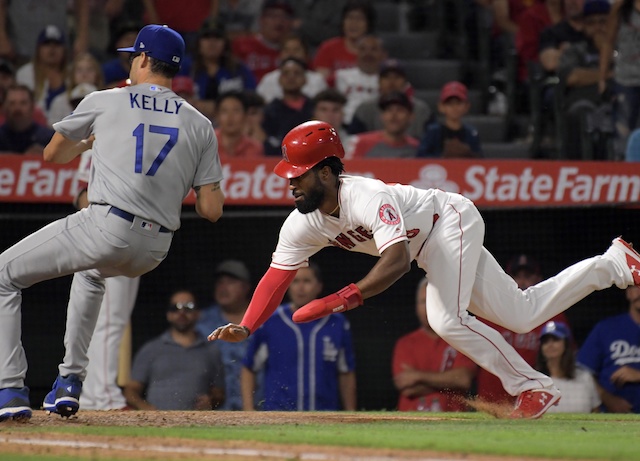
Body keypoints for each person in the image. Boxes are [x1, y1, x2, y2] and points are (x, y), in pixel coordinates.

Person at [209, 119, 640, 420]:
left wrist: (340, 299)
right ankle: (614, 264)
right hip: (427, 247)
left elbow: (394, 261)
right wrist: (247, 325)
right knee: (522, 314)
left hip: (447, 221)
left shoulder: (366, 195)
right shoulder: (301, 222)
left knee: (444, 318)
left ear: (326, 171)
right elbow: (276, 278)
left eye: (299, 173)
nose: (291, 181)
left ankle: (532, 387)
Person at [0, 24, 224, 422]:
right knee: (90, 275)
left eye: (132, 56)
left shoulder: (105, 100)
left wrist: (88, 142)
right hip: (154, 249)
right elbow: (211, 210)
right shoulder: (200, 124)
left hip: (108, 225)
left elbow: (53, 155)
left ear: (141, 59)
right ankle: (69, 382)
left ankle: (10, 387)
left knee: (3, 274)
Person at [73, 148, 141, 411]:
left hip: (132, 237)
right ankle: (102, 396)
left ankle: (94, 395)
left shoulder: (136, 137)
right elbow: (82, 197)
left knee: (115, 320)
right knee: (108, 321)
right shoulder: (97, 142)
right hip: (105, 237)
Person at [241, 262, 357, 411]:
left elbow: (346, 371)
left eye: (307, 281)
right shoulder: (271, 321)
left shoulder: (337, 323)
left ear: (319, 287)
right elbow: (249, 367)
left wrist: (351, 412)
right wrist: (248, 410)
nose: (300, 287)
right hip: (278, 414)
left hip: (324, 415)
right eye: (295, 281)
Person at [475, 253, 571, 405]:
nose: (522, 281)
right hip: (490, 401)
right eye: (516, 276)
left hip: (532, 401)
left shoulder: (552, 313)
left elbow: (567, 359)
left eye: (528, 275)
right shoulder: (488, 309)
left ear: (539, 279)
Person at [124, 290, 225, 410]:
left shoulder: (211, 350)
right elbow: (131, 390)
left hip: (196, 424)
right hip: (158, 425)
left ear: (197, 313)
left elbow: (220, 393)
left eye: (188, 307)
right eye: (175, 308)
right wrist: (146, 409)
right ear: (168, 315)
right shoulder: (151, 349)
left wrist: (211, 401)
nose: (181, 312)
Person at [393, 278, 477, 412]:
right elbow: (407, 388)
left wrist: (418, 376)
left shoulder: (461, 338)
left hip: (454, 423)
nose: (428, 306)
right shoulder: (405, 343)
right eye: (423, 301)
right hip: (411, 423)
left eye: (433, 301)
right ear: (416, 306)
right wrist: (448, 383)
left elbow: (463, 379)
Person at [196, 260, 258, 410]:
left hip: (261, 406)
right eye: (220, 282)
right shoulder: (202, 322)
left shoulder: (264, 319)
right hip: (217, 409)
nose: (223, 288)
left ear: (246, 287)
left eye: (231, 282)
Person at [557, 0, 611, 159]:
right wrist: (607, 74)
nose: (597, 27)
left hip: (614, 103)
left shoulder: (620, 51)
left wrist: (606, 51)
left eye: (603, 22)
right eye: (591, 23)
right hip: (581, 103)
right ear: (583, 26)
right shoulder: (574, 51)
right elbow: (573, 77)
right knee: (582, 110)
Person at [577, 285, 640, 413]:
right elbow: (583, 372)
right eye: (637, 286)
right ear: (628, 293)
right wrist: (607, 398)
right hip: (610, 417)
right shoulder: (607, 328)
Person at [349, 59, 432, 140]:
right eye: (386, 77)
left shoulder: (421, 110)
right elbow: (354, 142)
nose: (391, 82)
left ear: (405, 82)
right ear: (379, 82)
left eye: (397, 77)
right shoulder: (365, 109)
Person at [598, 0, 640, 159]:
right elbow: (608, 42)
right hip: (625, 80)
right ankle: (622, 170)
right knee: (623, 132)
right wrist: (602, 77)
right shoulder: (621, 9)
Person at [190, 21, 257, 122]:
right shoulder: (186, 68)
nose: (212, 43)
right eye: (207, 37)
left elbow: (252, 98)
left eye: (217, 37)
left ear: (225, 43)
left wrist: (220, 107)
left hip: (232, 123)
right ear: (198, 42)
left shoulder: (239, 69)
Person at [535, 320, 601, 413]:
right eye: (545, 341)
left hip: (582, 427)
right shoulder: (535, 381)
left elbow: (595, 411)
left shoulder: (585, 377)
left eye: (555, 339)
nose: (550, 345)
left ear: (566, 344)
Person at [312, 0, 376, 84]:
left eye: (359, 19)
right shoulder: (328, 48)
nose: (353, 23)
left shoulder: (374, 50)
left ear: (368, 24)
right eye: (349, 18)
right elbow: (320, 81)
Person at [232, 0, 295, 82]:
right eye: (273, 16)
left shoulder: (295, 50)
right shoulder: (241, 45)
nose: (279, 22)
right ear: (261, 20)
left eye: (285, 17)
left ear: (291, 23)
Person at [262, 57, 314, 156]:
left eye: (296, 73)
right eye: (286, 73)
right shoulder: (270, 111)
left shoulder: (314, 108)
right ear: (280, 79)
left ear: (305, 79)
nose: (291, 77)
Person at [417, 81, 482, 158]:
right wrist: (443, 157)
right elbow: (420, 157)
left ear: (467, 106)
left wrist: (468, 154)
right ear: (441, 107)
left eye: (458, 103)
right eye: (449, 103)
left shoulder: (471, 133)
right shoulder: (433, 132)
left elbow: (481, 160)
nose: (454, 107)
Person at [257, 34, 327, 104]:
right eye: (286, 50)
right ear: (279, 55)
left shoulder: (317, 80)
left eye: (296, 50)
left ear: (306, 55)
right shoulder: (269, 79)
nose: (291, 54)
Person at [15, 25, 68, 118]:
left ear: (64, 50)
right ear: (38, 49)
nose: (52, 49)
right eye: (47, 44)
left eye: (57, 44)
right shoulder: (25, 73)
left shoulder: (73, 74)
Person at [346, 91, 419, 158]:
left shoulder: (417, 148)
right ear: (381, 116)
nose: (393, 115)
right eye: (389, 110)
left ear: (411, 116)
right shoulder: (360, 142)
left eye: (400, 110)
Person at [335, 34, 386, 126]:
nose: (368, 53)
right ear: (357, 52)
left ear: (383, 54)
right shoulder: (341, 76)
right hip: (346, 125)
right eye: (363, 49)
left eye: (373, 49)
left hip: (377, 127)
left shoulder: (390, 80)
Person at [48, 53, 105, 126]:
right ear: (72, 74)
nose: (84, 75)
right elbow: (53, 129)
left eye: (89, 70)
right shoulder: (59, 101)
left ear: (97, 74)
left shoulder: (106, 99)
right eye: (79, 70)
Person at [0, 84, 54, 154]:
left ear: (32, 107)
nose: (17, 108)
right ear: (4, 107)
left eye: (23, 103)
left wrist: (47, 155)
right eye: (12, 103)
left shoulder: (49, 139)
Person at [214, 91, 265, 159]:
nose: (230, 118)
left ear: (245, 115)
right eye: (224, 111)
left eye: (236, 111)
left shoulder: (255, 148)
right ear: (217, 116)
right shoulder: (206, 144)